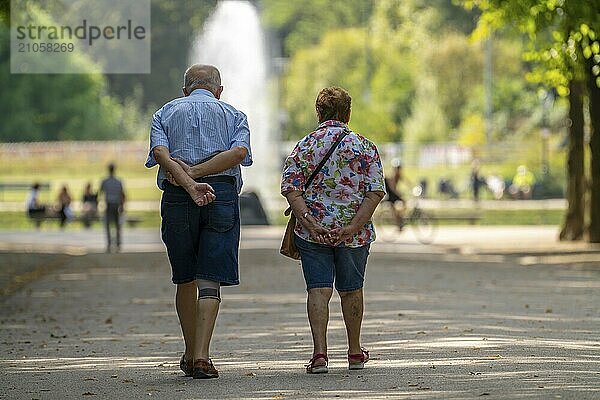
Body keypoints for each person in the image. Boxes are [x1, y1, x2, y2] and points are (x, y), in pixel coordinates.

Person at [145, 64, 252, 379]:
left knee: (185, 276)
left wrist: (187, 177)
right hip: (220, 194)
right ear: (219, 90)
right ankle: (203, 356)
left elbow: (161, 154)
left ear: (185, 90)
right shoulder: (234, 114)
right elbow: (239, 153)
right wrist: (199, 175)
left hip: (178, 195)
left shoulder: (164, 113)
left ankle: (191, 353)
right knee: (210, 277)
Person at [281, 87, 385, 374]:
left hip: (313, 233)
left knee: (318, 289)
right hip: (354, 234)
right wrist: (353, 226)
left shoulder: (304, 145)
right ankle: (354, 351)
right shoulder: (365, 146)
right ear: (348, 113)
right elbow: (375, 191)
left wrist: (310, 223)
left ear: (318, 113)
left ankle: (319, 355)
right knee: (352, 290)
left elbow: (291, 187)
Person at [99, 163, 126, 252]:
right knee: (117, 225)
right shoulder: (118, 181)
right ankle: (118, 243)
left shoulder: (105, 181)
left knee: (108, 224)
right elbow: (122, 194)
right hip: (117, 204)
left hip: (108, 204)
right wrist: (122, 205)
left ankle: (109, 243)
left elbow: (100, 192)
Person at [384, 160, 407, 228]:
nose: (399, 170)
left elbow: (406, 181)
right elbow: (392, 188)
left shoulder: (399, 175)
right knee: (394, 207)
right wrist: (399, 193)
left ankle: (399, 217)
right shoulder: (392, 176)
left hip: (393, 193)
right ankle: (398, 221)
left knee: (403, 203)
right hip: (390, 193)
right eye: (398, 168)